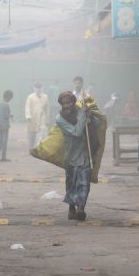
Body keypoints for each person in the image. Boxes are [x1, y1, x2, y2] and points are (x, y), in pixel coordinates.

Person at [55, 91, 99, 221]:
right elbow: (77, 132)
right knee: (71, 183)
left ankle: (81, 208)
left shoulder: (80, 111)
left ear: (73, 103)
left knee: (84, 183)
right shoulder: (60, 119)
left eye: (69, 103)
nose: (66, 106)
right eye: (64, 104)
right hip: (71, 155)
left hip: (85, 153)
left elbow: (96, 124)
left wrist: (89, 114)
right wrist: (82, 115)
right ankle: (71, 208)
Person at [24, 82, 50, 150]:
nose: (38, 89)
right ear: (34, 88)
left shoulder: (45, 97)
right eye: (37, 88)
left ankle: (39, 149)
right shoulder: (30, 97)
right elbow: (27, 107)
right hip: (32, 118)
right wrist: (28, 116)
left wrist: (47, 119)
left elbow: (47, 108)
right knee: (32, 134)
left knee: (42, 133)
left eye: (39, 88)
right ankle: (31, 148)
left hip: (42, 117)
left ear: (42, 88)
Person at [0, 90, 13, 162]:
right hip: (5, 126)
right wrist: (10, 116)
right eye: (10, 98)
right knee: (4, 141)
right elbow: (6, 116)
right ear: (8, 97)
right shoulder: (6, 105)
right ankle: (3, 157)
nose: (10, 100)